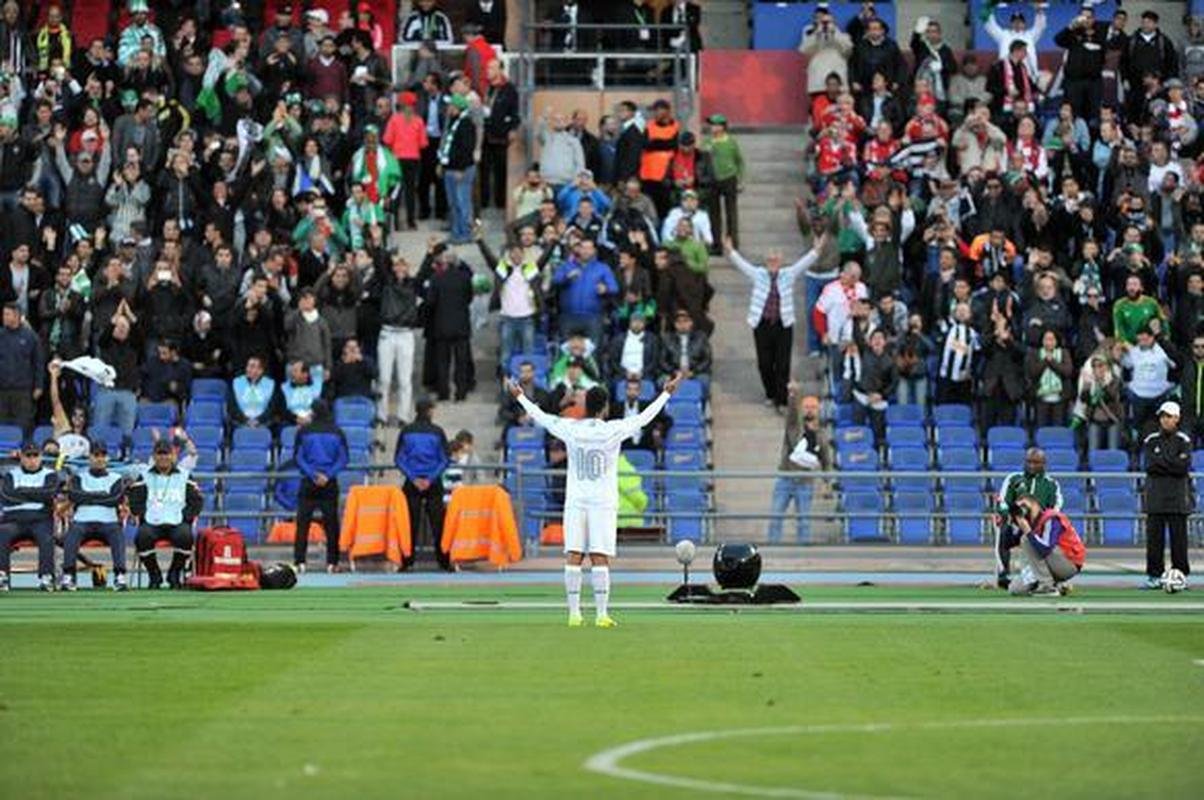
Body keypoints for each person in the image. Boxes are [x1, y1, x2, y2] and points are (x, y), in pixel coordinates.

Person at [506, 372, 683, 627]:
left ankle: (574, 614)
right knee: (600, 556)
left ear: (586, 407)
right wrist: (666, 393)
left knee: (574, 555)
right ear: (605, 408)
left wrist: (520, 397)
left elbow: (540, 416)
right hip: (602, 502)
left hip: (576, 500)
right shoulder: (613, 429)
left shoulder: (570, 427)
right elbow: (645, 417)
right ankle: (601, 614)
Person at [725, 234, 823, 409]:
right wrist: (730, 251)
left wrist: (816, 250)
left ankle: (781, 398)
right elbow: (742, 265)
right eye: (770, 260)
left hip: (783, 324)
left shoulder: (788, 274)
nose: (773, 263)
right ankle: (770, 393)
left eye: (776, 260)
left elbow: (804, 263)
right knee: (764, 363)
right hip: (762, 324)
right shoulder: (758, 274)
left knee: (783, 363)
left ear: (781, 262)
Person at [126, 439, 203, 590]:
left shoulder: (185, 475)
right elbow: (135, 500)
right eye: (160, 454)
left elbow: (196, 501)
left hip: (177, 521)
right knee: (142, 537)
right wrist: (143, 516)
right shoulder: (144, 476)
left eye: (166, 454)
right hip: (151, 522)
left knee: (185, 536)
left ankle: (174, 573)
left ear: (173, 455)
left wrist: (185, 517)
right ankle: (154, 575)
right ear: (154, 456)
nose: (163, 457)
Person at [60, 440, 128, 591]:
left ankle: (120, 576)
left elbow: (115, 499)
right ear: (90, 457)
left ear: (107, 458)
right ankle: (69, 575)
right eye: (96, 455)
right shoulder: (79, 477)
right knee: (72, 534)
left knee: (117, 534)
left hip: (109, 522)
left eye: (103, 455)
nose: (99, 459)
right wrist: (102, 495)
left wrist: (88, 496)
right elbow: (75, 496)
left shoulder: (116, 478)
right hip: (82, 521)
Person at [993, 448, 1063, 590]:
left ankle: (1051, 576)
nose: (1031, 466)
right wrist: (1009, 514)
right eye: (1029, 462)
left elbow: (1056, 508)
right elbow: (1002, 502)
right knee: (1002, 526)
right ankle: (1003, 574)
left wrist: (1040, 522)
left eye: (1036, 463)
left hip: (1038, 526)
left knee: (1053, 531)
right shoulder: (1013, 478)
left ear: (1044, 463)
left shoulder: (1051, 484)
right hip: (1015, 523)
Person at [394, 398, 451, 571]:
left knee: (409, 522)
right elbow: (444, 459)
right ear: (430, 411)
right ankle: (444, 562)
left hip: (412, 483)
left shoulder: (406, 431)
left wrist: (413, 478)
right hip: (433, 482)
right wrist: (430, 479)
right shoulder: (437, 432)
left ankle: (406, 562)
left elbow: (399, 459)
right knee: (438, 524)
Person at [293, 399, 349, 574]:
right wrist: (328, 475)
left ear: (313, 412)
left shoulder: (304, 431)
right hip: (329, 483)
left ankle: (300, 562)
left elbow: (298, 457)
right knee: (331, 524)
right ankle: (332, 563)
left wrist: (312, 474)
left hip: (308, 482)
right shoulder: (337, 432)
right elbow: (343, 458)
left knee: (303, 524)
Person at [1142, 401, 1193, 590]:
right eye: (1163, 416)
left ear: (1177, 418)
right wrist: (1172, 462)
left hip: (1177, 498)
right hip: (1155, 497)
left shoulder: (1184, 440)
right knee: (1154, 541)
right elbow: (1149, 466)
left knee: (1179, 541)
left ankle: (1180, 575)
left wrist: (1162, 462)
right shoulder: (1151, 440)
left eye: (1169, 416)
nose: (1165, 420)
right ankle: (1154, 576)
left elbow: (1183, 468)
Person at [770, 390, 830, 543]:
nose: (810, 410)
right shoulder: (794, 427)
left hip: (805, 482)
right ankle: (772, 547)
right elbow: (791, 414)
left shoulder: (822, 435)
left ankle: (803, 550)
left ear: (818, 410)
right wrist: (792, 397)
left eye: (813, 407)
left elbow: (826, 460)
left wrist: (827, 482)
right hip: (786, 478)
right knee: (776, 517)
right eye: (807, 407)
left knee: (804, 522)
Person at [0, 441, 61, 591]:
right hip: (13, 519)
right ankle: (2, 576)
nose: (32, 460)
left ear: (41, 457)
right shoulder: (10, 475)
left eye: (35, 456)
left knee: (46, 537)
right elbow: (7, 496)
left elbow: (49, 494)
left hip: (40, 519)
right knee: (2, 534)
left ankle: (46, 576)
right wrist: (37, 494)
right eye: (28, 456)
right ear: (21, 457)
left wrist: (21, 491)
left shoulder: (50, 475)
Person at [1007, 495, 1086, 596]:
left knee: (1027, 539)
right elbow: (1008, 543)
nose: (1022, 510)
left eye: (1024, 505)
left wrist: (1028, 532)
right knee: (1015, 589)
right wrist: (1011, 522)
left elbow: (1045, 549)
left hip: (1069, 562)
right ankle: (1058, 585)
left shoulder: (1051, 518)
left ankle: (1047, 587)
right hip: (1050, 564)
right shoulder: (1031, 523)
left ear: (1035, 505)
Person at [0, 302, 44, 433]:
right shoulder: (1, 335)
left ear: (16, 315)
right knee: (2, 428)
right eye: (4, 314)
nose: (4, 317)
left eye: (7, 314)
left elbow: (38, 362)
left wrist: (39, 386)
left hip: (23, 391)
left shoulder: (31, 337)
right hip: (2, 390)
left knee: (23, 427)